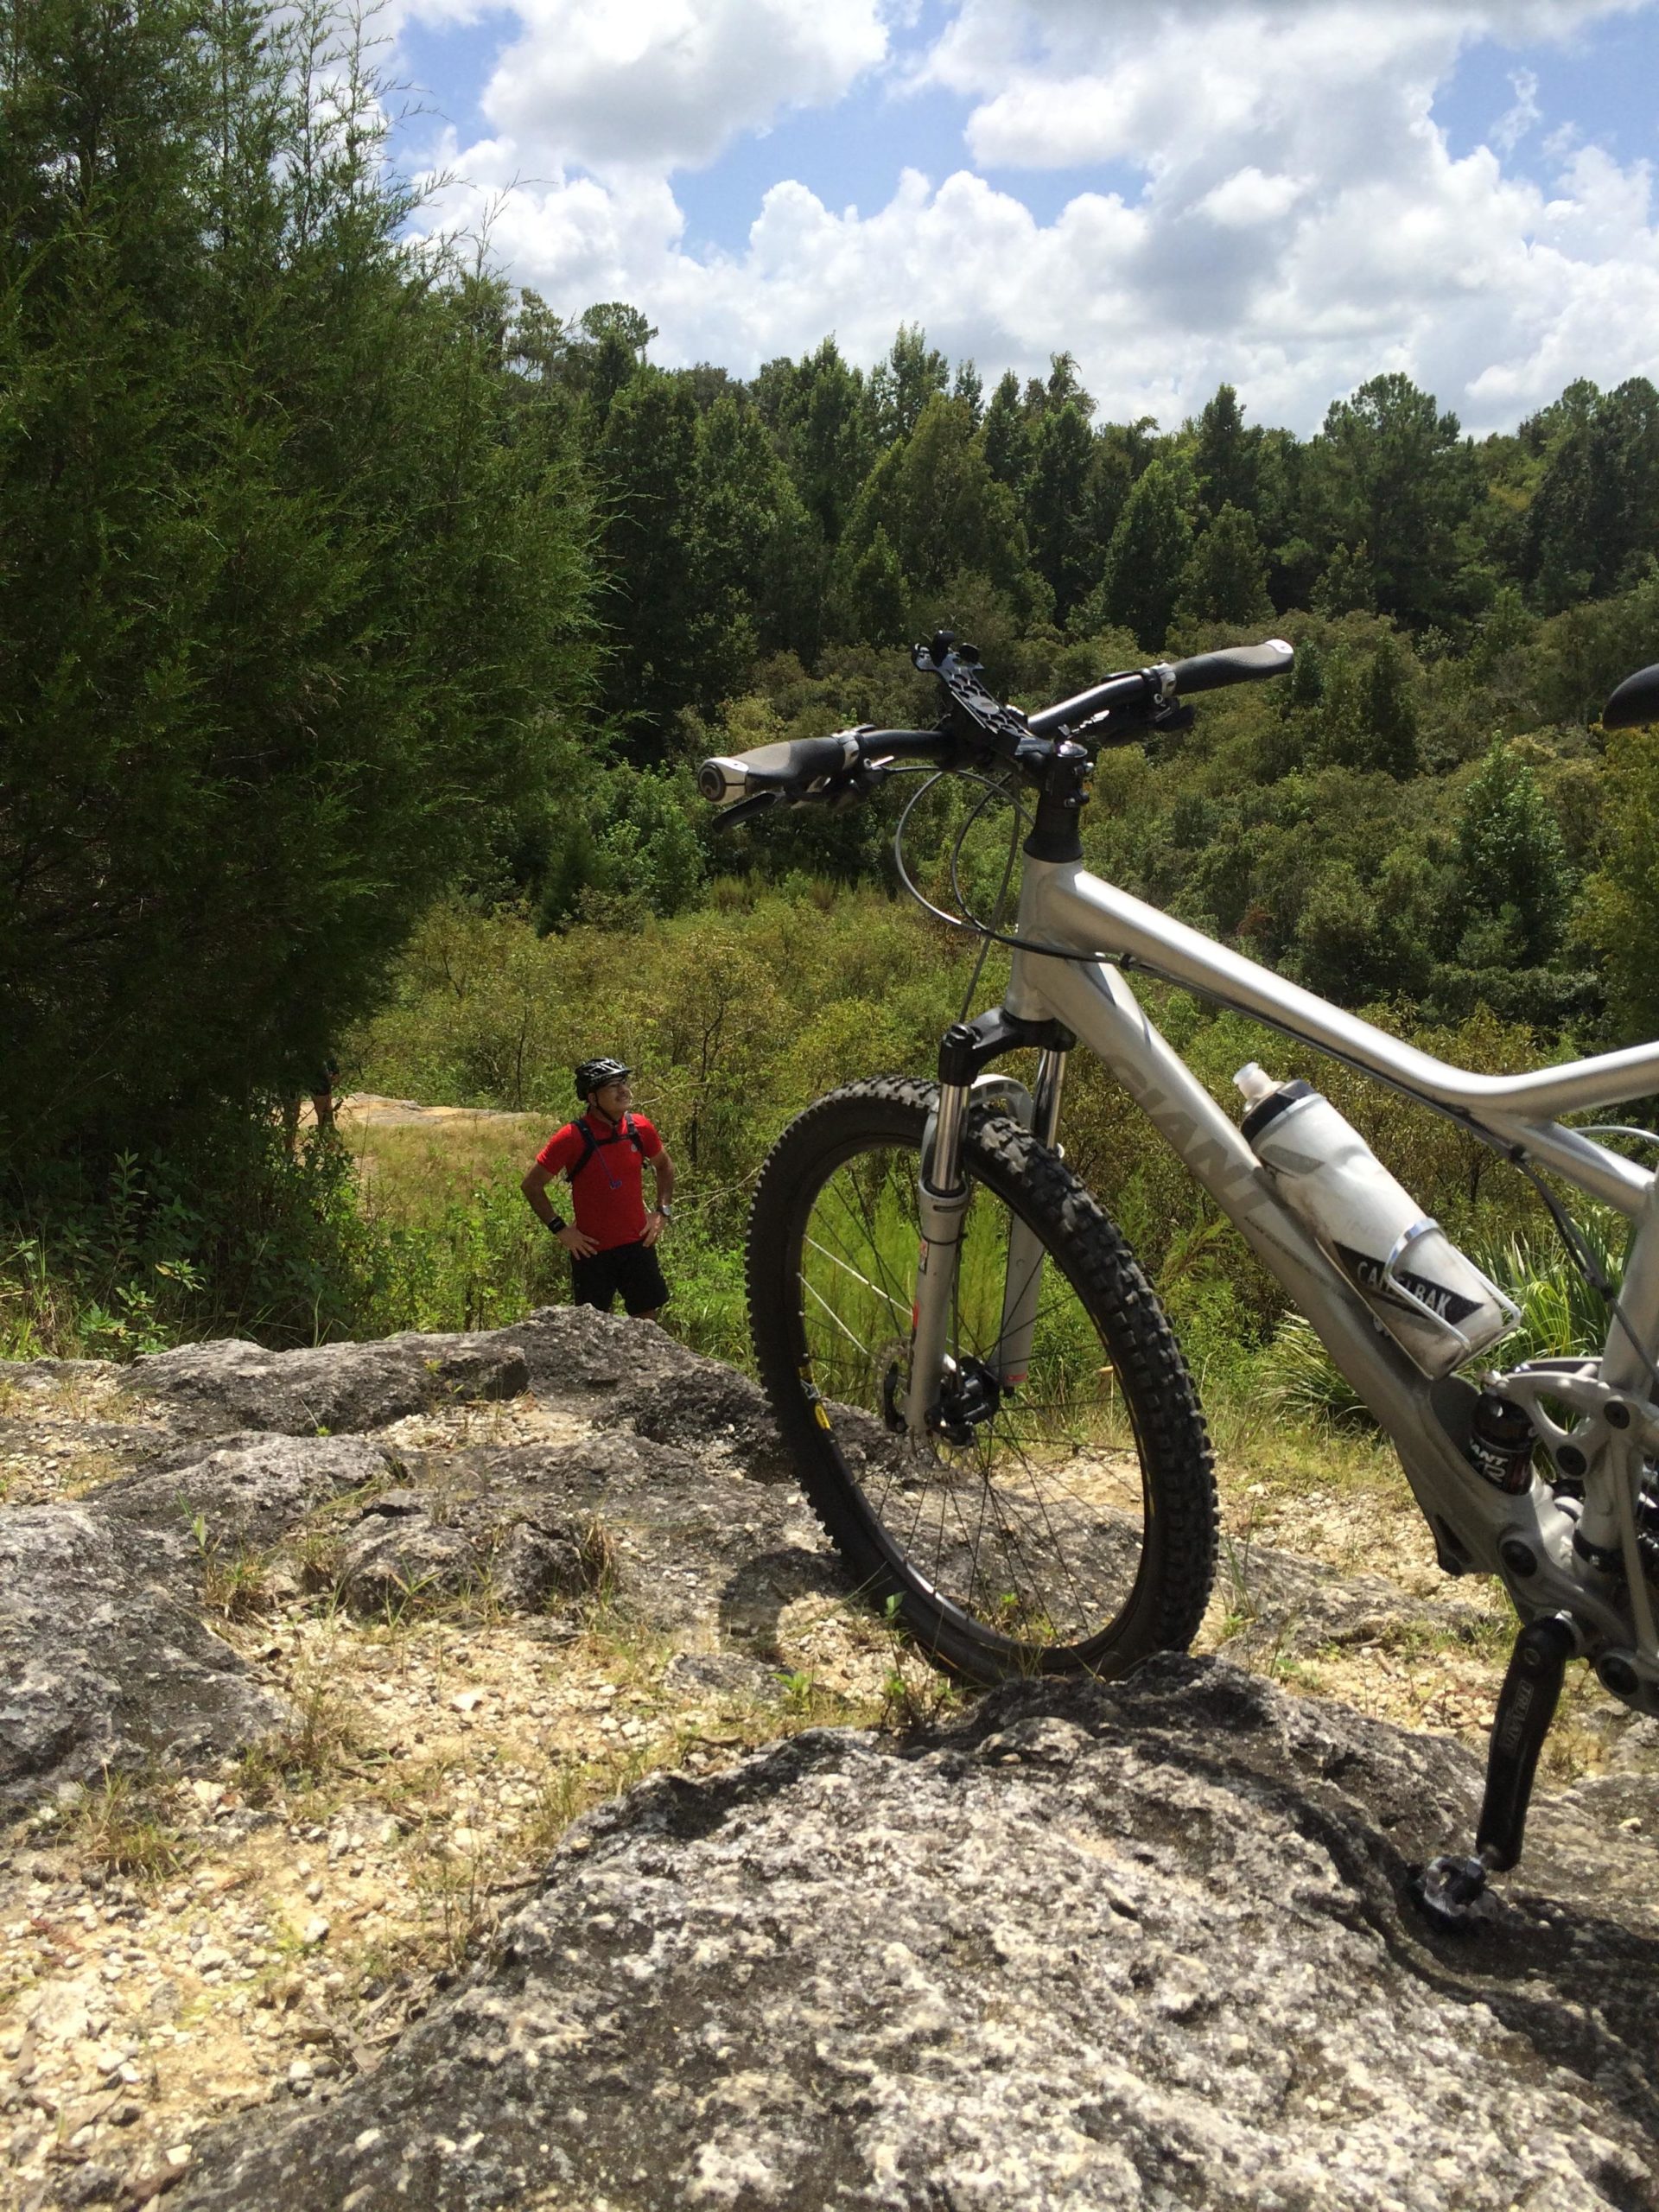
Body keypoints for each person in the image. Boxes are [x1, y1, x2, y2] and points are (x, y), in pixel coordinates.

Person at [521, 1058, 676, 1321]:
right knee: (593, 1328)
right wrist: (561, 1230)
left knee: (649, 1326)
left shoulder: (640, 1128)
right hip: (591, 1252)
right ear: (592, 1098)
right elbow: (532, 1186)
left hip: (638, 1246)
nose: (624, 1090)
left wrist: (662, 1211)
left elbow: (665, 1166)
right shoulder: (571, 1137)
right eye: (613, 1086)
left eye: (624, 1083)